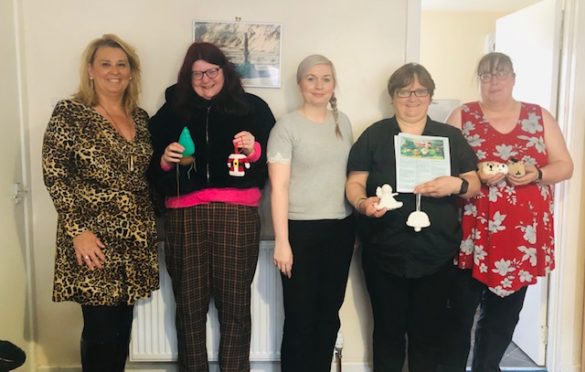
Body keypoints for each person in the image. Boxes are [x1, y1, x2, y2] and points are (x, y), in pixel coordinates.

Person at [438, 52, 573, 372]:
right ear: (479, 81)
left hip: (520, 236)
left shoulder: (539, 116)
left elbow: (564, 166)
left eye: (500, 74)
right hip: (470, 233)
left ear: (514, 77)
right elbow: (442, 166)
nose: (493, 81)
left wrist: (536, 173)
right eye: (485, 75)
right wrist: (474, 174)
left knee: (503, 316)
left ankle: (488, 367)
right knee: (458, 314)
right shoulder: (463, 115)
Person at [146, 42, 275, 371]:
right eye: (196, 73)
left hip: (237, 215)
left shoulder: (254, 109)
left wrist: (254, 152)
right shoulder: (170, 113)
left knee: (235, 307)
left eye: (211, 71)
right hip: (184, 216)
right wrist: (163, 161)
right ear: (187, 77)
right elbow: (149, 170)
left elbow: (274, 165)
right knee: (189, 308)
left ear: (225, 70)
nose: (205, 79)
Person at [345, 62, 480, 372]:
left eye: (420, 91)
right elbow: (354, 181)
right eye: (404, 91)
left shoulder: (449, 136)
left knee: (428, 333)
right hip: (383, 249)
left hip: (437, 252)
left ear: (430, 96)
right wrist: (364, 203)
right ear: (393, 96)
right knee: (387, 332)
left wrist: (455, 184)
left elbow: (473, 184)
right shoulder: (375, 135)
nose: (412, 98)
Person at [42, 34, 158, 372]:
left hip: (134, 239)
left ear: (131, 72)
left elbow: (146, 176)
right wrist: (78, 231)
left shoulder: (141, 118)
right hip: (93, 238)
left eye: (122, 64)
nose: (114, 71)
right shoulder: (70, 113)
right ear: (91, 70)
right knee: (101, 331)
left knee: (123, 330)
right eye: (105, 64)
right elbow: (55, 175)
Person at [267, 55, 355, 372]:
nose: (319, 86)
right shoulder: (286, 127)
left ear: (334, 84)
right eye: (311, 78)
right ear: (300, 84)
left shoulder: (342, 122)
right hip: (299, 232)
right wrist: (282, 242)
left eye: (326, 78)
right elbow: (279, 188)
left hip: (341, 230)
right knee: (300, 318)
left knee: (328, 315)